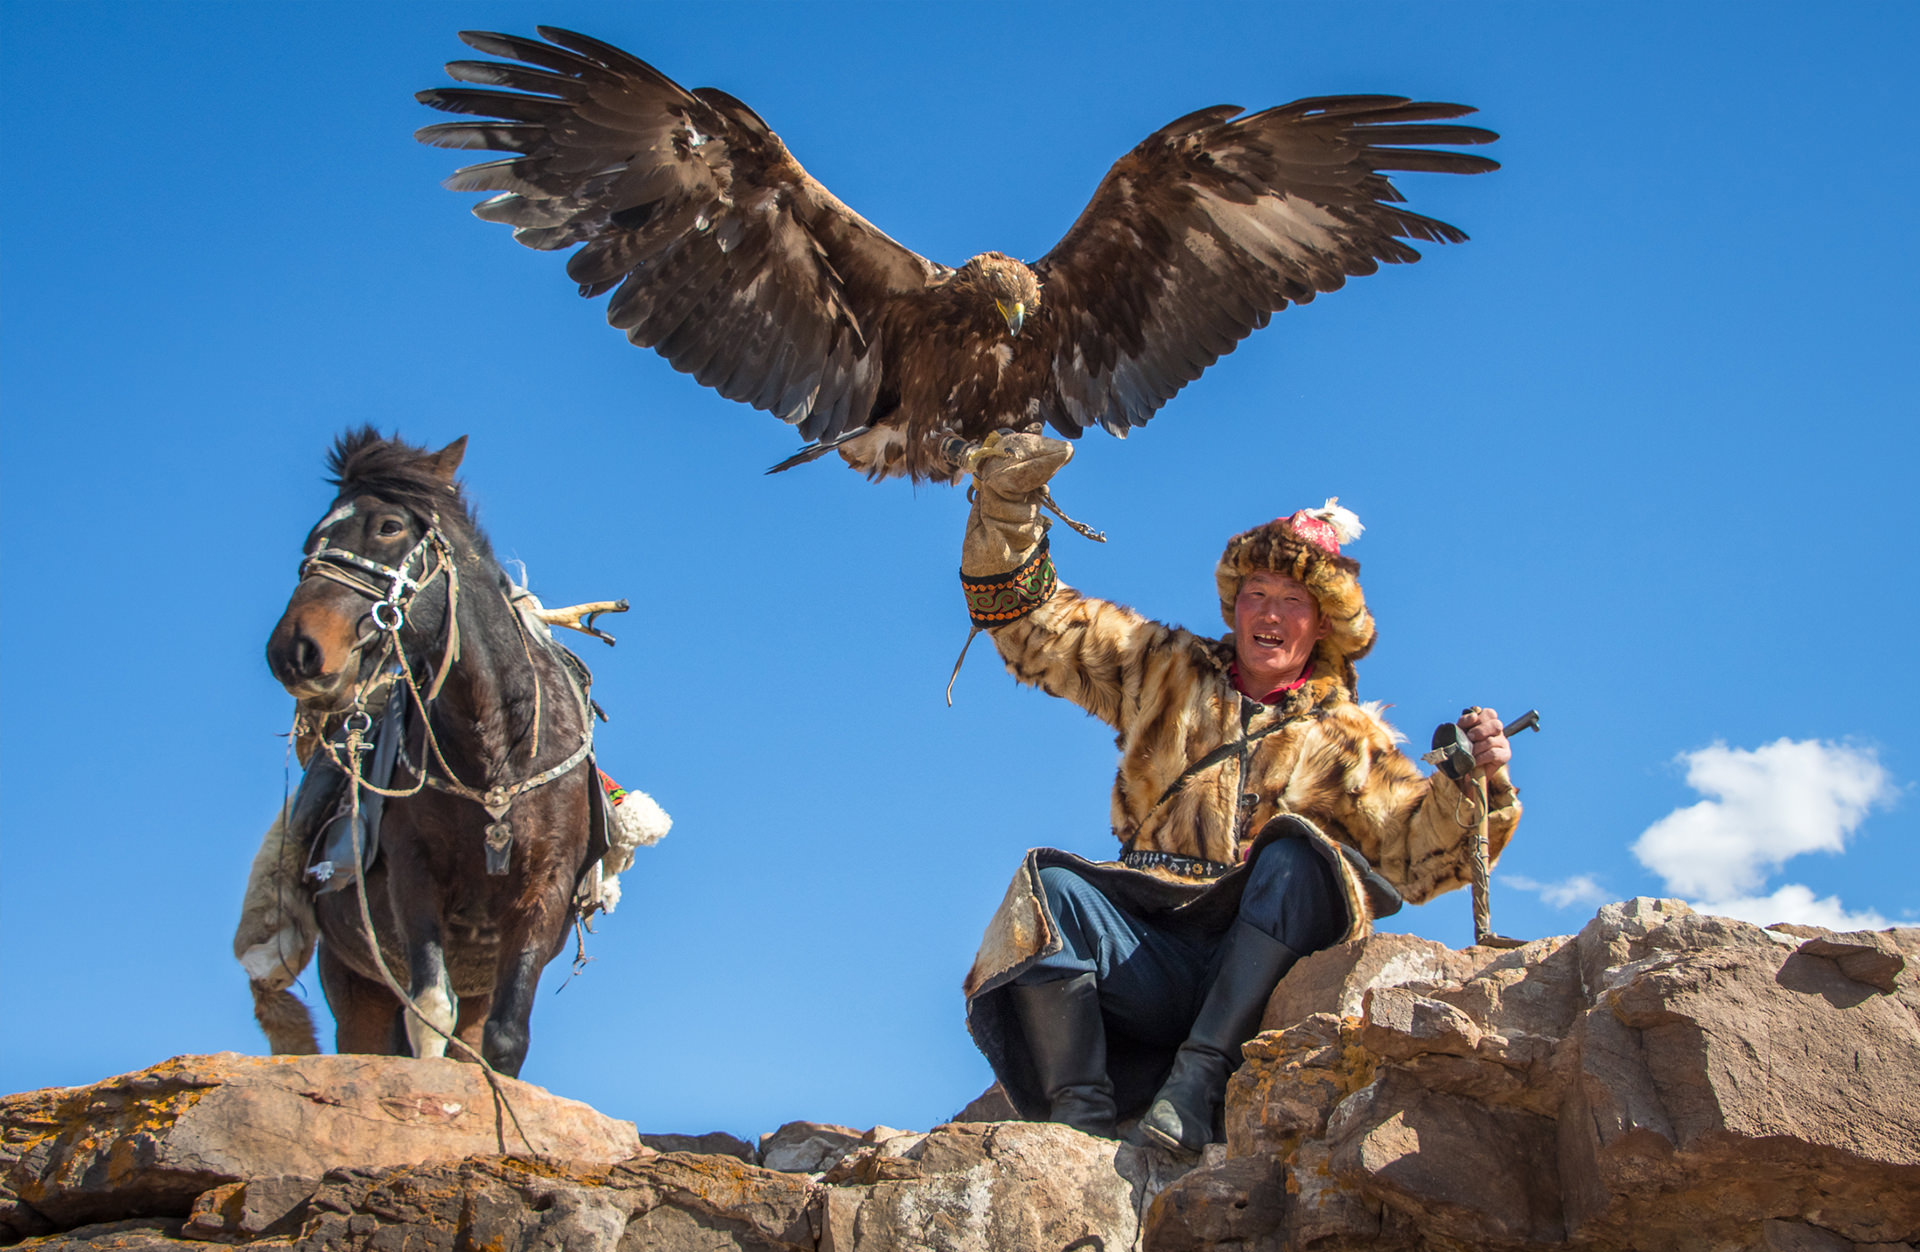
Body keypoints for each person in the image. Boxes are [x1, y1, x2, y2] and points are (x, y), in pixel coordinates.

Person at [955, 434, 1521, 1152]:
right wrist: (1005, 506)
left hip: (1261, 984)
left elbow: (1423, 853)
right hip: (1150, 954)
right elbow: (1032, 627)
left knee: (1296, 859)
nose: (1271, 614)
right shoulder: (1163, 668)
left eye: (1293, 599)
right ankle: (1080, 1125)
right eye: (1257, 594)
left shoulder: (1351, 737)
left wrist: (1479, 780)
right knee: (1052, 886)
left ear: (1323, 623)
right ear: (1234, 607)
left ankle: (1195, 1087)